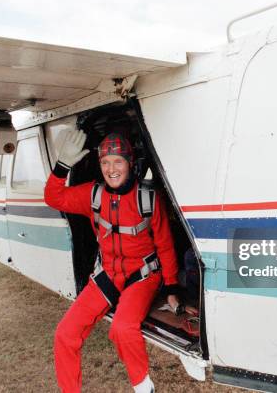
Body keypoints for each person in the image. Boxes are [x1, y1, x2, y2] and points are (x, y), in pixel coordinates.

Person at [44, 130, 182, 393]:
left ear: (130, 163)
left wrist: (172, 287)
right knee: (65, 334)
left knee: (122, 328)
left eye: (118, 161)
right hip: (108, 273)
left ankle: (144, 387)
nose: (111, 168)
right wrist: (62, 167)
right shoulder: (93, 195)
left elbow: (165, 245)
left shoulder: (148, 199)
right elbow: (54, 198)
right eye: (105, 162)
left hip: (142, 275)